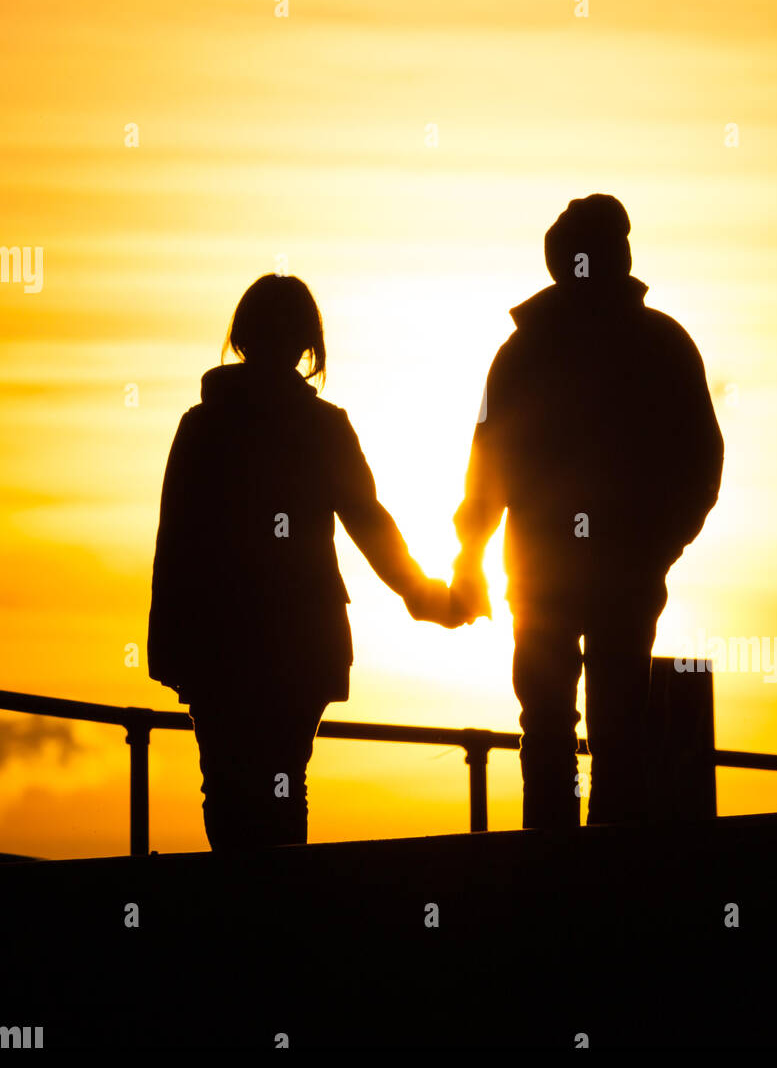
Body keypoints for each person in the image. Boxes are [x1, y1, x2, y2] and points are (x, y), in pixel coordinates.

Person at [147, 273, 463, 850]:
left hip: (218, 645)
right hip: (298, 641)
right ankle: (286, 919)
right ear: (306, 344)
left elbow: (175, 548)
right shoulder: (322, 428)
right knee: (283, 784)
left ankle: (248, 920)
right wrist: (425, 596)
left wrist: (169, 650)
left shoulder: (202, 427)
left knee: (224, 786)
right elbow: (368, 521)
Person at [450, 194, 724, 829]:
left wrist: (471, 557)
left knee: (558, 721)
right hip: (606, 569)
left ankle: (554, 867)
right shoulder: (660, 345)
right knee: (610, 724)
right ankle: (604, 870)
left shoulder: (524, 354)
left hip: (557, 567)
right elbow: (701, 463)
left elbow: (485, 471)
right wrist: (659, 543)